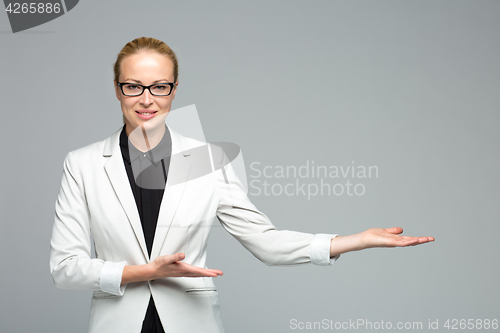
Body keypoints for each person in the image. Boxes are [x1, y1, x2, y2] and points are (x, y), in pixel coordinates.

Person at [49, 37, 434, 333]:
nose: (146, 99)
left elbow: (265, 242)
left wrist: (354, 241)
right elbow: (65, 268)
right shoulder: (82, 164)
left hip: (191, 323)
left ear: (175, 90)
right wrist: (144, 272)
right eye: (134, 86)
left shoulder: (208, 161)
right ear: (117, 89)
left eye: (159, 86)